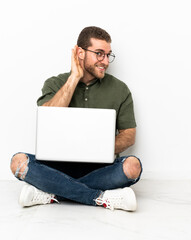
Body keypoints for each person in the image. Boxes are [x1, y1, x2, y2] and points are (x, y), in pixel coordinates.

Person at [10, 26, 142, 211]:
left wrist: (97, 148)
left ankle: (52, 191)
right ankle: (100, 198)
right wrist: (74, 77)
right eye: (99, 54)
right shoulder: (54, 83)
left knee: (133, 166)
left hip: (100, 169)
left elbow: (129, 135)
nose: (105, 61)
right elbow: (49, 116)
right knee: (18, 162)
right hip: (56, 167)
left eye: (108, 55)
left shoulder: (120, 89)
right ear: (80, 52)